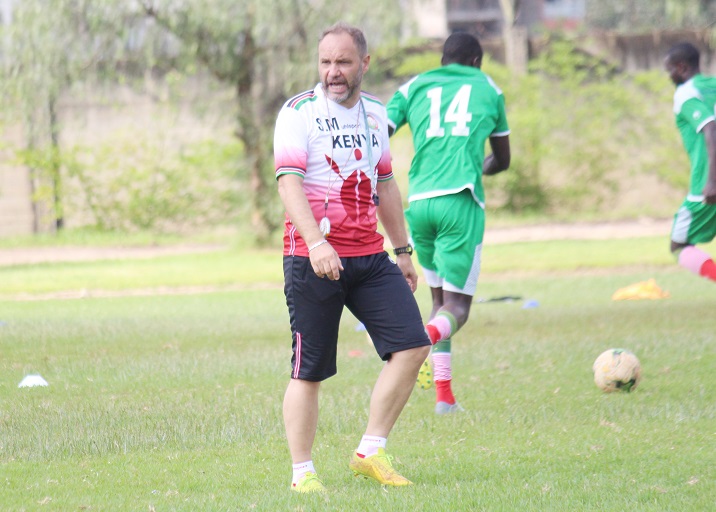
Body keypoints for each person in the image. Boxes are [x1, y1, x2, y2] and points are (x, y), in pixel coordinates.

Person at [273, 22, 431, 493]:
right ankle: (303, 475)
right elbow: (289, 183)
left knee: (413, 344)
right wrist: (316, 244)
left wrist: (402, 251)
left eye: (342, 62)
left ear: (363, 63)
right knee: (310, 369)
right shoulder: (298, 112)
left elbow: (384, 185)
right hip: (313, 257)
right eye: (325, 62)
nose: (332, 72)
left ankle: (370, 450)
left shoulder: (376, 115)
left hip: (369, 256)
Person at [386, 32, 511, 414]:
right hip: (461, 201)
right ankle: (419, 341)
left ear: (443, 59)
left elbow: (378, 134)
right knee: (458, 309)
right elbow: (502, 159)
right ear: (476, 61)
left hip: (420, 203)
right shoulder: (488, 88)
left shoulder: (414, 86)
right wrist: (479, 167)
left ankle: (444, 398)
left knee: (439, 301)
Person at [663, 42, 716, 282]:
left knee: (679, 244)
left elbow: (710, 128)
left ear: (681, 68)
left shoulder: (686, 93)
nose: (669, 76)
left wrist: (712, 181)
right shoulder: (713, 85)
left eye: (670, 70)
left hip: (706, 182)